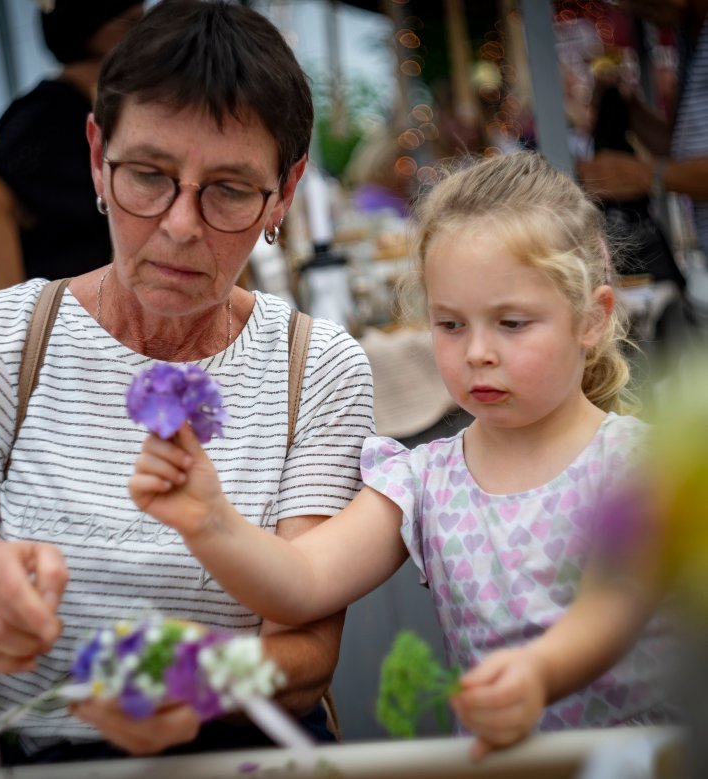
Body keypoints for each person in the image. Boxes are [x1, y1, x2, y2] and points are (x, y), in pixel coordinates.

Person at [0, 0, 374, 765]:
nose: (178, 224)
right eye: (148, 175)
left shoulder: (317, 365)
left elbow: (305, 658)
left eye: (229, 190)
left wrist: (204, 677)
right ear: (98, 155)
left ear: (287, 190)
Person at [131, 152, 675, 759]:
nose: (478, 353)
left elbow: (611, 608)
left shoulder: (635, 465)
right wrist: (210, 522)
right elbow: (303, 582)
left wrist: (538, 673)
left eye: (513, 323)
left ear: (591, 319)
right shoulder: (422, 479)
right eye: (449, 324)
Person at [0, 0, 144, 295]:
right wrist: (15, 330)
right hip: (62, 328)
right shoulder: (51, 112)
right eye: (132, 23)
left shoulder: (93, 111)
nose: (145, 37)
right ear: (92, 31)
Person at [577, 0, 708, 258]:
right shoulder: (688, 33)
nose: (628, 9)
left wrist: (644, 175)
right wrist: (627, 108)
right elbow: (686, 149)